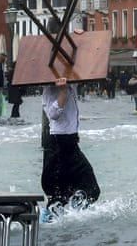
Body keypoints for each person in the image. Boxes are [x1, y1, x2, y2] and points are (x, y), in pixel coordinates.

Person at [41, 77, 100, 211]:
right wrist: (62, 92)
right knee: (59, 193)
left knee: (86, 189)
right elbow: (53, 114)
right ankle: (57, 220)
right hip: (59, 142)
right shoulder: (50, 89)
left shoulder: (70, 83)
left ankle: (74, 215)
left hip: (70, 141)